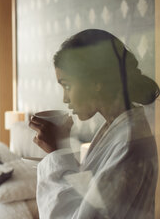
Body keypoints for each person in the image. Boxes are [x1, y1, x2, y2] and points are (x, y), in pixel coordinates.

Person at [29, 29, 159, 218]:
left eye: (67, 85)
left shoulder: (130, 141)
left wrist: (57, 153)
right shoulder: (114, 128)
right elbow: (91, 196)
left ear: (96, 81)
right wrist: (61, 148)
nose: (65, 99)